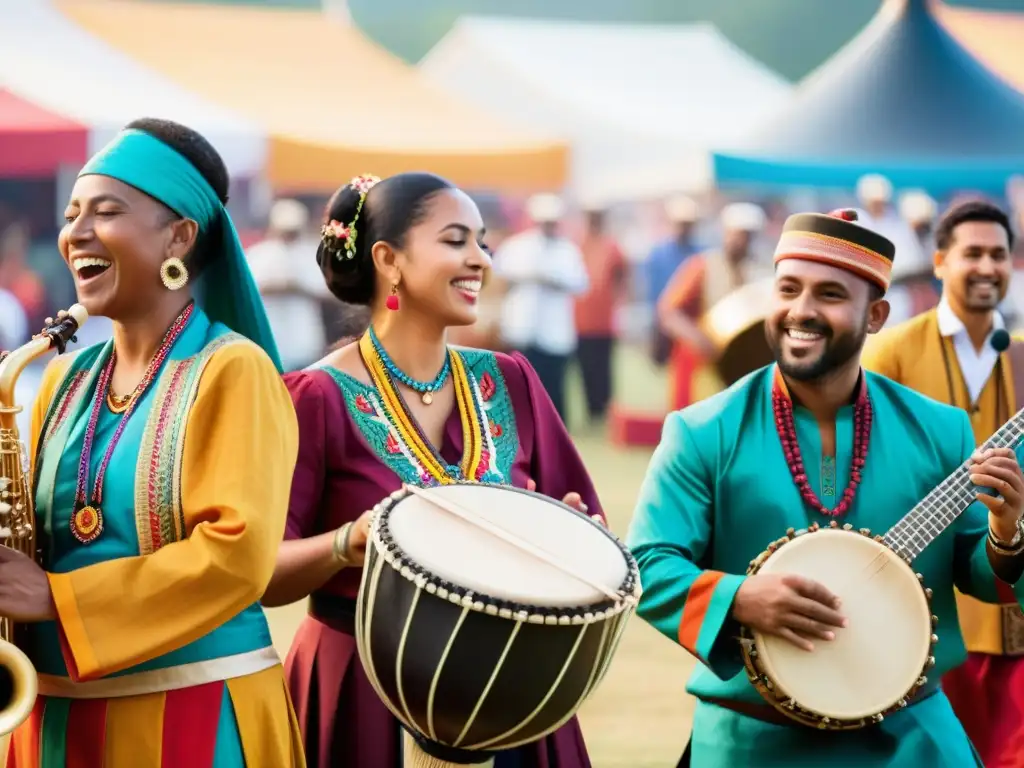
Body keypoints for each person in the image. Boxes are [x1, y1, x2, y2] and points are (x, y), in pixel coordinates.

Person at [627, 208, 1024, 767]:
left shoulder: (940, 429)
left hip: (909, 733)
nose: (802, 311)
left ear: (875, 315)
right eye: (787, 288)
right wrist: (741, 598)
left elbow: (980, 575)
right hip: (752, 737)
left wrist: (1007, 532)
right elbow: (647, 565)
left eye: (831, 294)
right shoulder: (702, 431)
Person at [262, 172, 604, 768]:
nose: (480, 261)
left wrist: (570, 538)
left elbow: (587, 523)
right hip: (363, 688)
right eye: (455, 241)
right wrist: (348, 542)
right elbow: (262, 573)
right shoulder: (316, 396)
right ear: (388, 259)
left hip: (508, 689)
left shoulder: (511, 380)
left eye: (483, 243)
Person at [3, 119, 304, 766]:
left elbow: (237, 558)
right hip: (54, 721)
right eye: (71, 214)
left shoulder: (231, 369)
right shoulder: (61, 377)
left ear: (179, 235)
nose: (75, 232)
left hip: (192, 716)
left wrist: (55, 599)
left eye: (106, 211)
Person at [862, 200, 1024, 767]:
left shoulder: (1023, 356)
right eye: (972, 253)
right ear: (938, 261)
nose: (987, 266)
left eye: (999, 254)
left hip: (1012, 603)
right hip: (927, 615)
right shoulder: (890, 352)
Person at [657, 202, 768, 409]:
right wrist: (699, 340)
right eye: (737, 234)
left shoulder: (761, 270)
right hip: (701, 363)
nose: (741, 241)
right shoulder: (702, 266)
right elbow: (668, 311)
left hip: (743, 363)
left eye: (746, 235)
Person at [492, 193, 589, 423]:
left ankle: (553, 426)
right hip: (522, 327)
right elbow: (498, 278)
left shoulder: (568, 250)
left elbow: (581, 284)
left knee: (553, 384)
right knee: (520, 382)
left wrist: (551, 280)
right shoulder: (518, 246)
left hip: (554, 331)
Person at [574, 202, 629, 424]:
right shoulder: (577, 244)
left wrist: (619, 301)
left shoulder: (612, 246)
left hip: (604, 319)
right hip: (579, 319)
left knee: (604, 367)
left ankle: (605, 409)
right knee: (585, 366)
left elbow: (622, 276)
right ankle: (591, 410)